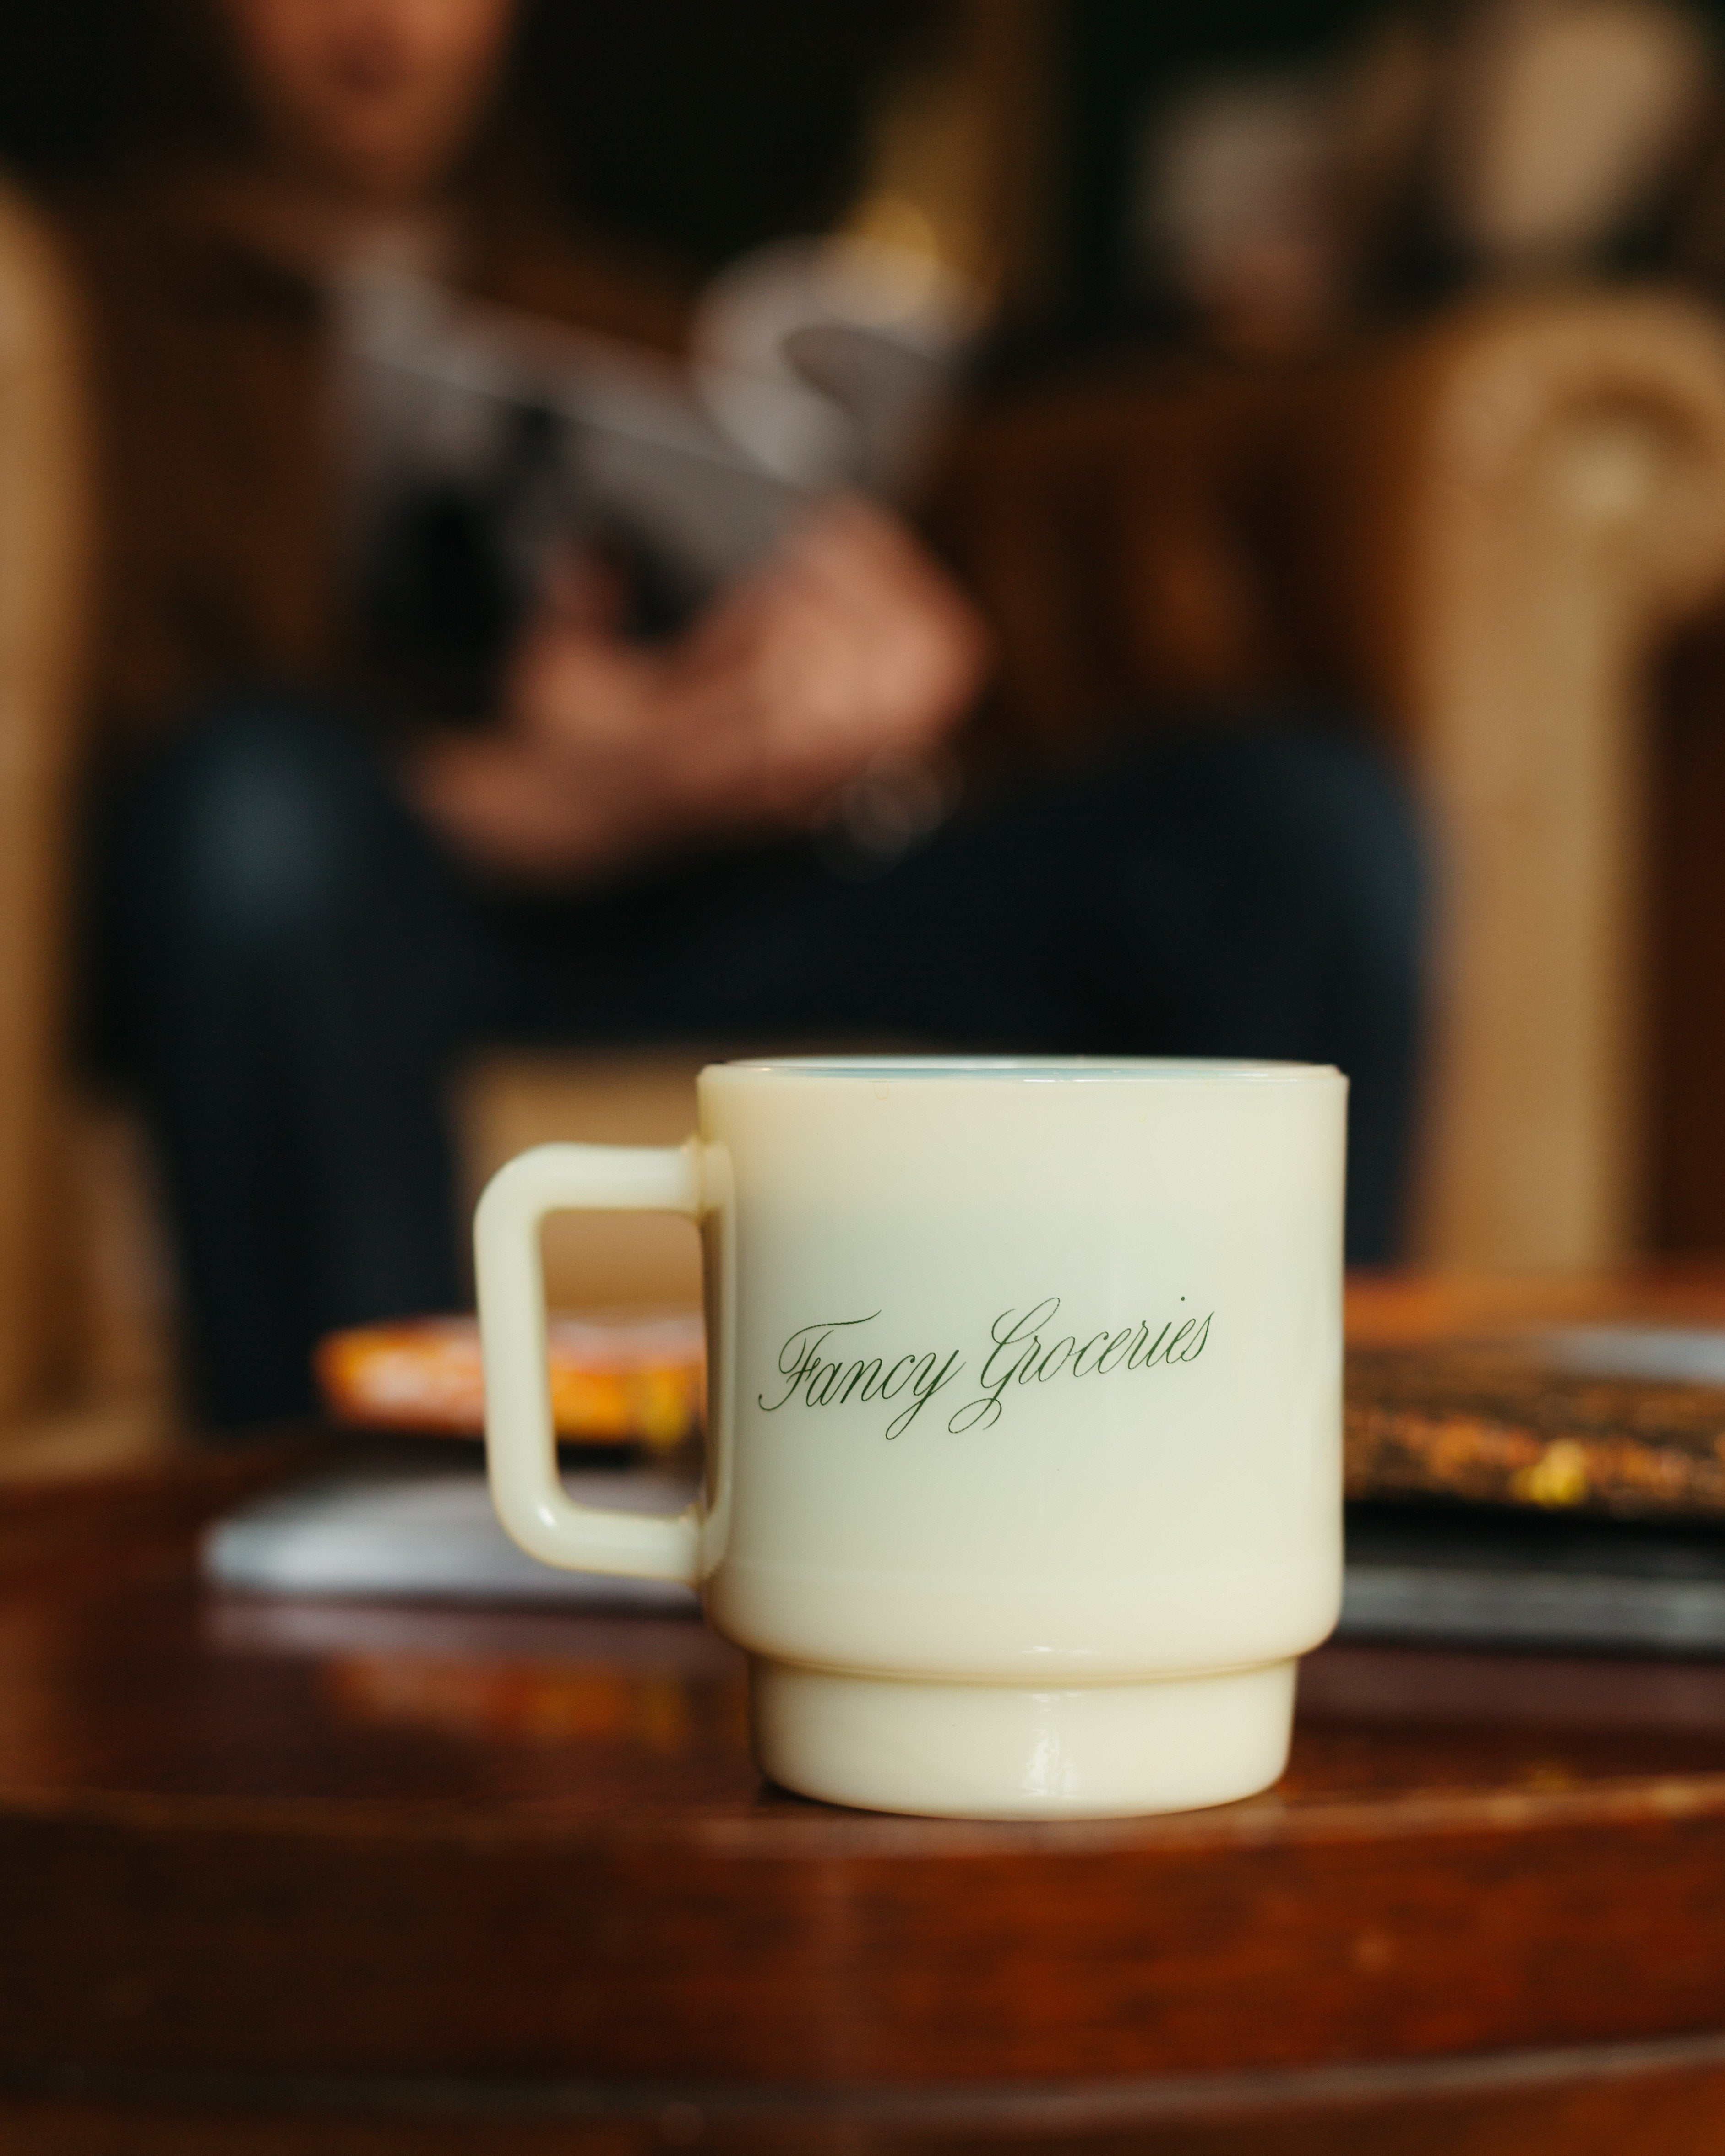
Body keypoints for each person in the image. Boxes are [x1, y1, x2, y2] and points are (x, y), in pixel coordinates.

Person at [65, 0, 1424, 1431]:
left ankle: (1273, 1479)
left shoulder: (622, 311)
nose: (382, 23)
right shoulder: (81, 314)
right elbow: (99, 763)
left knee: (1300, 824)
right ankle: (366, 1517)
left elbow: (848, 708)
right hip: (347, 918)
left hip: (701, 894)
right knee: (254, 809)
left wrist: (879, 687)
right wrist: (526, 800)